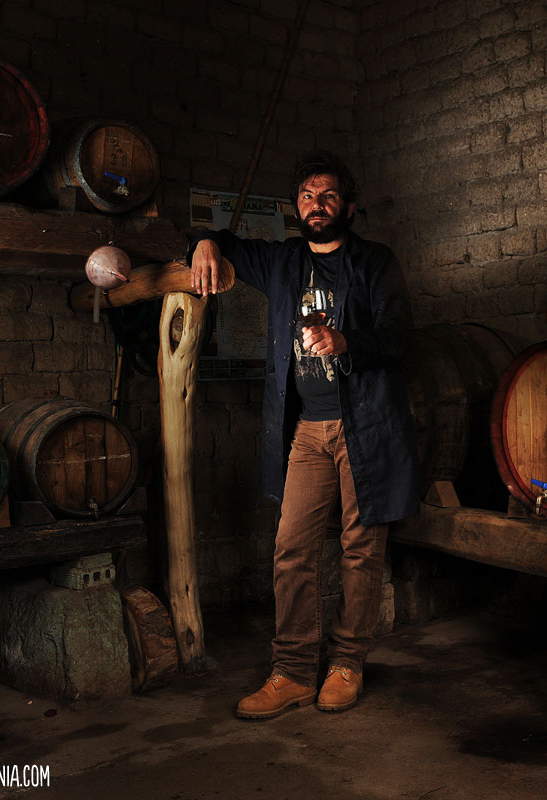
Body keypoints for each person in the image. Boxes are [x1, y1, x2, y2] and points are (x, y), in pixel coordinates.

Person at [189, 151, 419, 719]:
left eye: (329, 196)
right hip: (307, 430)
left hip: (364, 426)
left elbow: (400, 339)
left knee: (360, 551)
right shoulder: (283, 261)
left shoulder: (374, 262)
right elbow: (217, 241)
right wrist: (202, 245)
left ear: (349, 205)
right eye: (308, 197)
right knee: (292, 549)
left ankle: (347, 663)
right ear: (298, 206)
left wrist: (347, 344)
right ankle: (291, 671)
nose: (317, 206)